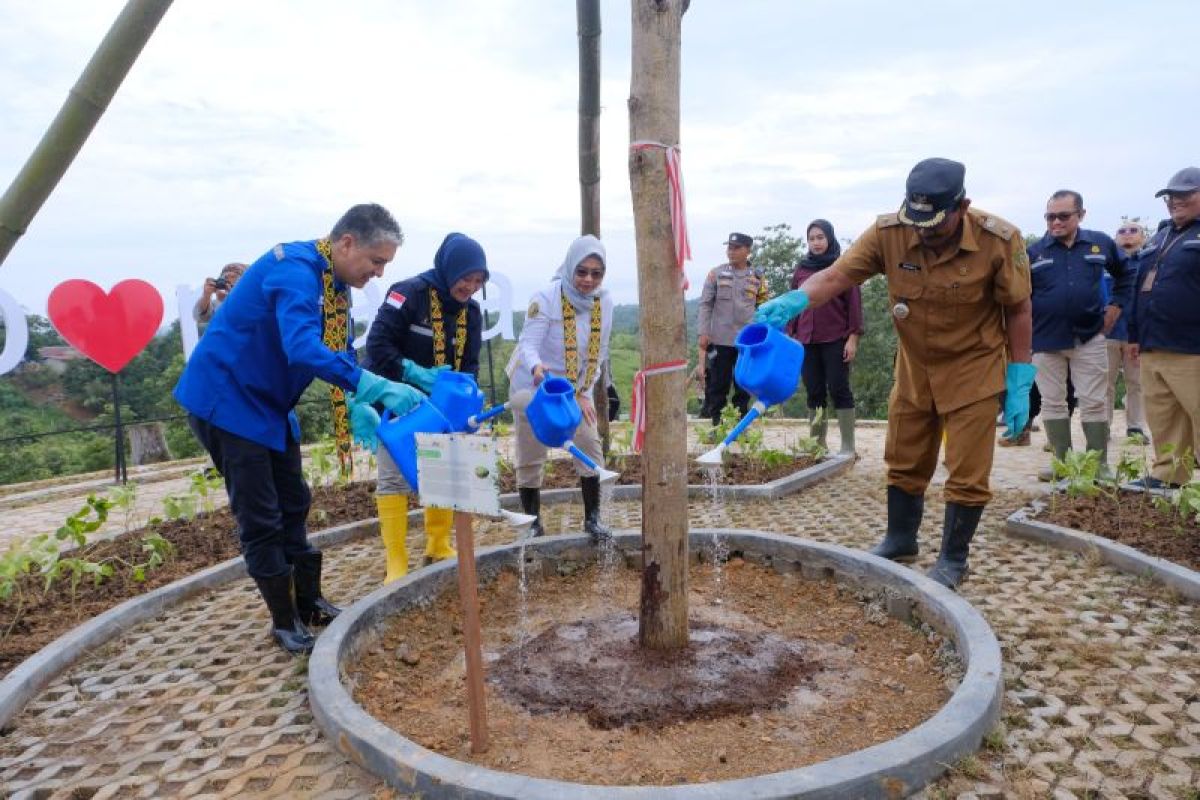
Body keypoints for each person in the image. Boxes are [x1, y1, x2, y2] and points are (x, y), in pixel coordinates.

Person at [755, 158, 1034, 589]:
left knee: (967, 469)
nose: (923, 232)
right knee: (903, 456)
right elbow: (837, 276)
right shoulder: (890, 232)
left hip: (974, 367)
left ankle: (954, 559)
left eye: (934, 224)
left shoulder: (999, 239)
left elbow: (1018, 307)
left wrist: (1020, 374)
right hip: (915, 366)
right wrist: (797, 300)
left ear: (963, 206)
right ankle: (900, 538)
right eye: (917, 221)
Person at [174, 203, 424, 654]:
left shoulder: (336, 281)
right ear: (347, 243)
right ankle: (284, 620)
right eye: (376, 261)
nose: (379, 273)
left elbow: (338, 347)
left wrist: (356, 396)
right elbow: (302, 347)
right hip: (227, 400)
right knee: (261, 514)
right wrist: (371, 383)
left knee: (295, 499)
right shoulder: (295, 270)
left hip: (269, 403)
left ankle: (308, 601)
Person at [363, 233, 487, 582]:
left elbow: (471, 365)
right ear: (450, 269)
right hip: (397, 401)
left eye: (479, 281)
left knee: (442, 472)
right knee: (392, 479)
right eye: (467, 278)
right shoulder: (409, 294)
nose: (471, 287)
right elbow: (377, 345)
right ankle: (396, 561)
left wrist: (468, 398)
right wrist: (414, 373)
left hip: (443, 409)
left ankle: (437, 544)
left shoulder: (472, 313)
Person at [508, 235, 614, 540]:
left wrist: (584, 392)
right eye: (581, 271)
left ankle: (593, 519)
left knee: (589, 446)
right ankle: (533, 523)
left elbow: (601, 350)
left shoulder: (603, 302)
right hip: (534, 386)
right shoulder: (546, 297)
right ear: (569, 267)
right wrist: (536, 369)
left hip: (573, 392)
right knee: (531, 454)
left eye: (596, 273)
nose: (588, 280)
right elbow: (528, 344)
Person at [1027, 190, 1134, 479]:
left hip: (1089, 337)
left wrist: (1116, 306)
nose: (1056, 222)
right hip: (1045, 340)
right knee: (1052, 401)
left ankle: (1098, 465)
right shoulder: (1034, 252)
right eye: (1050, 216)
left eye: (1064, 215)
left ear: (1081, 215)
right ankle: (1063, 464)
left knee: (1094, 400)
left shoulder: (1100, 244)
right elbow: (1019, 296)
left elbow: (1127, 275)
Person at [1127, 167, 1200, 489]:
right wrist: (1134, 336)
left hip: (1192, 346)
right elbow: (1137, 288)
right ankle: (1168, 473)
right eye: (1171, 196)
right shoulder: (1159, 236)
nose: (1175, 201)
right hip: (1153, 342)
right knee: (1163, 416)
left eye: (1186, 194)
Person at [786, 219, 863, 455]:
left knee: (839, 389)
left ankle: (848, 446)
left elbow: (854, 306)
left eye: (820, 237)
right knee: (814, 391)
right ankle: (817, 444)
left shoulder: (841, 267)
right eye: (812, 238)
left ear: (829, 238)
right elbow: (793, 304)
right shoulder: (801, 269)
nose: (816, 242)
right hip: (806, 340)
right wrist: (792, 334)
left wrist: (852, 338)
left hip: (835, 339)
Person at [696, 232, 769, 425]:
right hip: (720, 339)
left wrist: (764, 336)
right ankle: (716, 424)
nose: (731, 252)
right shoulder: (716, 274)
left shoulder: (758, 277)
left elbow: (763, 307)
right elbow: (705, 304)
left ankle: (740, 424)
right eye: (729, 248)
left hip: (747, 342)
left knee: (743, 384)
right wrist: (703, 332)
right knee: (718, 384)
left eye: (737, 248)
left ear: (748, 251)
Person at [1106, 219, 1148, 438]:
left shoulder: (1149, 263)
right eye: (1122, 231)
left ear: (1143, 237)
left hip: (1137, 335)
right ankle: (1103, 426)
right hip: (1108, 333)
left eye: (1134, 230)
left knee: (1137, 383)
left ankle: (1135, 426)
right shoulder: (1106, 264)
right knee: (1105, 383)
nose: (1127, 234)